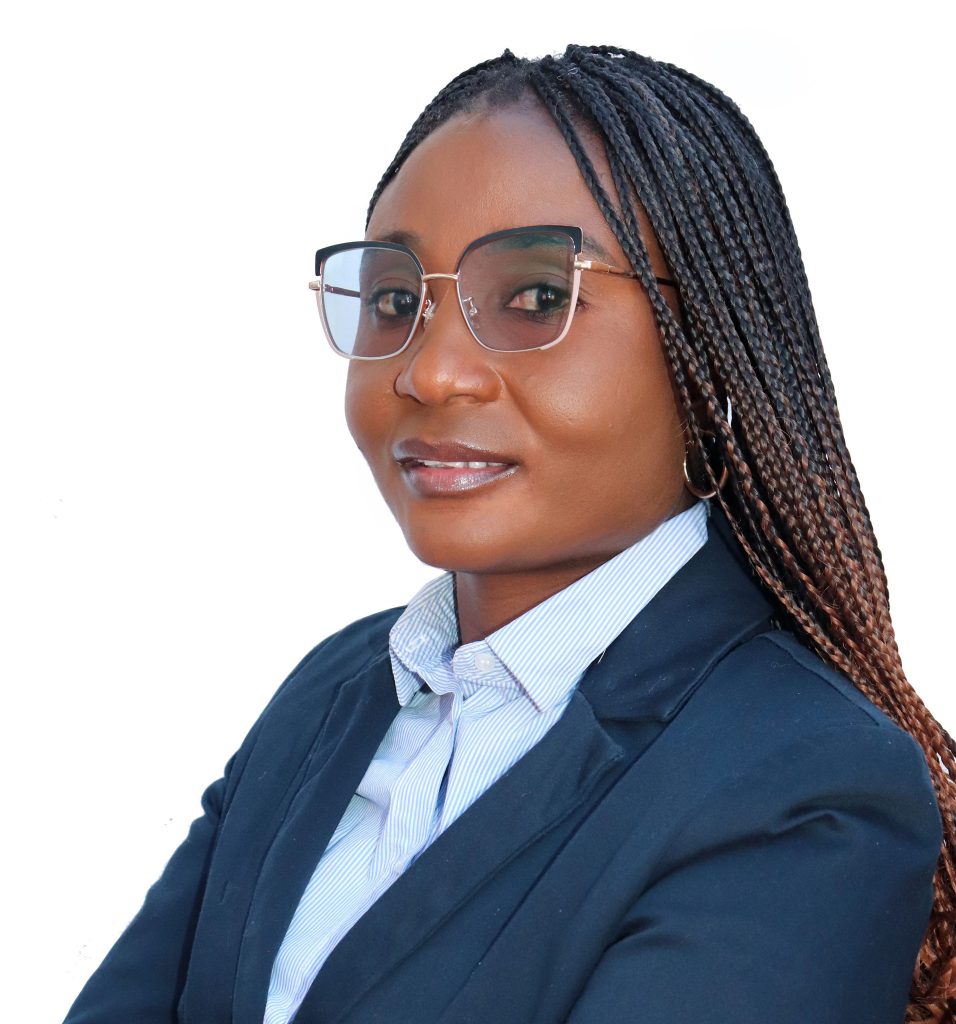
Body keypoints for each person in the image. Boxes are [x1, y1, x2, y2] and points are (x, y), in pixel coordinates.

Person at [63, 44, 954, 1024]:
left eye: (535, 297)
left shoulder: (805, 782)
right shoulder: (332, 694)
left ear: (708, 358)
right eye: (395, 301)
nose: (430, 371)